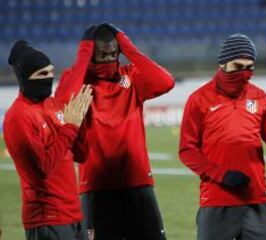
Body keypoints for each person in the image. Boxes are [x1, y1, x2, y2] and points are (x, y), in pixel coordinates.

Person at [56, 23, 175, 240]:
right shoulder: (78, 81)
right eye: (102, 55)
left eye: (114, 53)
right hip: (95, 186)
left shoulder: (132, 76)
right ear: (90, 54)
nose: (109, 60)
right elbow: (63, 101)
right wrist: (83, 57)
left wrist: (128, 47)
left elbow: (165, 82)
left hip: (137, 182)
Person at [179, 33, 266, 240]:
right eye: (238, 66)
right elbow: (187, 151)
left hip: (257, 199)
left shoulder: (260, 97)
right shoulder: (199, 99)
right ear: (223, 64)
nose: (244, 74)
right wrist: (221, 174)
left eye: (250, 68)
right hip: (216, 201)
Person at [3, 40, 92, 240]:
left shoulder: (52, 105)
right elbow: (42, 168)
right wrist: (70, 127)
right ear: (26, 78)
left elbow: (81, 154)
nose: (49, 77)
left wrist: (82, 120)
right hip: (47, 219)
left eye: (51, 72)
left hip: (74, 215)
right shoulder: (19, 117)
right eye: (42, 74)